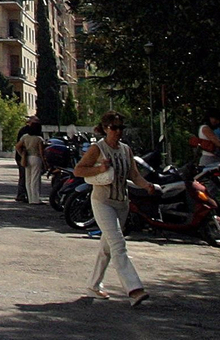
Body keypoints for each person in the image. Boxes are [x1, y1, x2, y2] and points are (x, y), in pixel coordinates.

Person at [73, 111, 160, 306]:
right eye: (114, 127)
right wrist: (99, 169)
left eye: (121, 127)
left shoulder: (126, 150)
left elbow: (134, 175)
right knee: (118, 244)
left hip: (122, 203)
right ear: (105, 128)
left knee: (107, 247)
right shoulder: (98, 148)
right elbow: (79, 170)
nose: (118, 131)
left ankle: (93, 286)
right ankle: (134, 289)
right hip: (102, 201)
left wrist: (146, 185)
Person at [17, 119, 47, 207]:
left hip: (27, 158)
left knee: (28, 179)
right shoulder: (39, 139)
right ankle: (36, 199)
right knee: (35, 179)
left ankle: (30, 198)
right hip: (36, 158)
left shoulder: (25, 137)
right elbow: (41, 152)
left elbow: (18, 146)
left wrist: (22, 154)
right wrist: (45, 162)